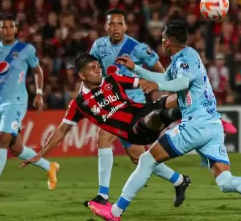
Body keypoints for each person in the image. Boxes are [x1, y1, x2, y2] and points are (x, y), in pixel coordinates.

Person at [88, 21, 241, 221]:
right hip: (212, 126)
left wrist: (158, 84)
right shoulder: (184, 56)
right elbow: (162, 77)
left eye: (162, 38)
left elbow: (182, 82)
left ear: (168, 42)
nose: (161, 41)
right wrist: (136, 68)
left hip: (195, 125)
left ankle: (114, 212)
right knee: (224, 180)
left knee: (146, 159)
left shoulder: (184, 61)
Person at [21, 53, 191, 206]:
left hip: (140, 112)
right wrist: (40, 154)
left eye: (98, 67)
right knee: (148, 122)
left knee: (167, 103)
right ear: (82, 75)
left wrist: (152, 84)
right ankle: (171, 115)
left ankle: (179, 179)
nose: (98, 70)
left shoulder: (112, 80)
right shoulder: (79, 104)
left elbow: (142, 82)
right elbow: (61, 131)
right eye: (92, 68)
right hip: (133, 130)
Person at [89, 8, 190, 206]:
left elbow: (159, 68)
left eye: (119, 24)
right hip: (112, 103)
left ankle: (103, 196)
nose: (116, 27)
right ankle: (179, 180)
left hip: (132, 104)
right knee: (138, 157)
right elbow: (92, 70)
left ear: (125, 26)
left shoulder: (137, 48)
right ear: (106, 26)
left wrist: (162, 89)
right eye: (112, 24)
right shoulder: (98, 46)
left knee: (103, 137)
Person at [0, 15, 59, 201]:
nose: (8, 30)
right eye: (4, 27)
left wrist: (39, 93)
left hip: (17, 100)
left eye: (11, 27)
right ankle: (49, 166)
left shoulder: (25, 49)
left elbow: (37, 70)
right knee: (16, 148)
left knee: (2, 140)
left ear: (16, 29)